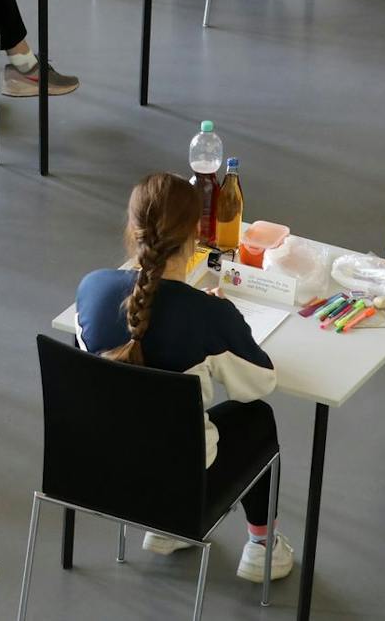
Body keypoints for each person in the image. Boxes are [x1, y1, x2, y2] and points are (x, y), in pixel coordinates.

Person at [75, 173, 294, 582]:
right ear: (196, 232)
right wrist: (227, 320)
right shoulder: (208, 316)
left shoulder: (91, 289)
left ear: (132, 228)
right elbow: (259, 384)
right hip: (181, 484)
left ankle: (165, 531)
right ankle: (262, 547)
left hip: (101, 470)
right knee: (257, 417)